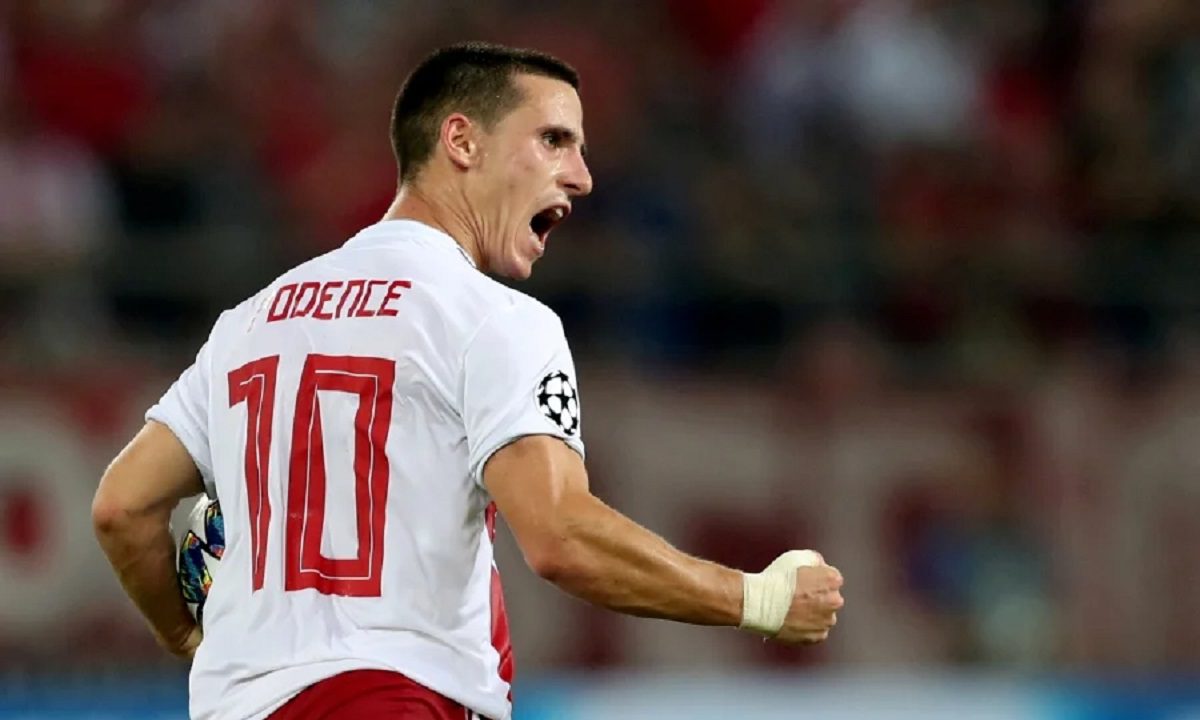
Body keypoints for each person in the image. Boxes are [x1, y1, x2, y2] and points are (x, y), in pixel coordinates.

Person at [91, 41, 844, 720]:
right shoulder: (490, 319)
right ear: (462, 141)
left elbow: (122, 508)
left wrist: (189, 636)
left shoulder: (249, 323)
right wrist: (758, 599)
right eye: (553, 140)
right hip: (391, 700)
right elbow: (561, 536)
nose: (581, 176)